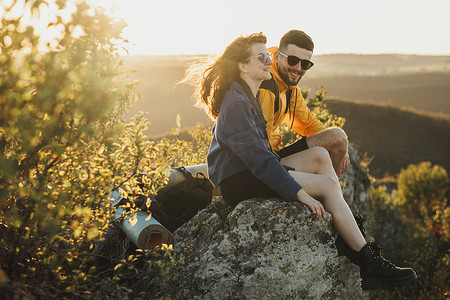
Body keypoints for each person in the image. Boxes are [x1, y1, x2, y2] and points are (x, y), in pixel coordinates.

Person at [185, 32, 416, 291]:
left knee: (320, 156)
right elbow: (259, 159)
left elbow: (274, 148)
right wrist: (299, 193)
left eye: (268, 55)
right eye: (262, 57)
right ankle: (368, 263)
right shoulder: (237, 102)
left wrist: (335, 146)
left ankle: (345, 231)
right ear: (243, 66)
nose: (267, 61)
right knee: (328, 185)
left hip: (248, 172)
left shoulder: (246, 94)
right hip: (238, 181)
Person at [259, 30, 350, 176]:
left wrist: (340, 146)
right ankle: (329, 190)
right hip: (263, 164)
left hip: (271, 157)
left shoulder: (288, 87)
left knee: (337, 138)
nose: (298, 68)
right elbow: (258, 142)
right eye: (293, 60)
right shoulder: (266, 86)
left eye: (305, 64)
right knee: (336, 138)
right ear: (276, 57)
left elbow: (307, 124)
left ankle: (329, 189)